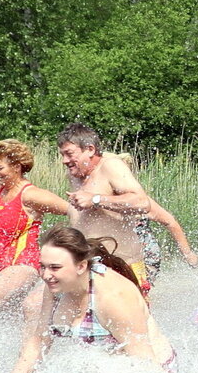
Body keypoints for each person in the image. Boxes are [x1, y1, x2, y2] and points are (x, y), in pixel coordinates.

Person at [0, 228, 176, 373]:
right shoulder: (56, 286)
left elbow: (145, 363)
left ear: (81, 266)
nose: (46, 275)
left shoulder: (112, 298)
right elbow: (40, 338)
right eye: (43, 266)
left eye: (55, 268)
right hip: (112, 372)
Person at [0, 139, 75, 353]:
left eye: (0, 168)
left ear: (17, 167)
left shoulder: (30, 194)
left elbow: (72, 210)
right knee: (14, 327)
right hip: (2, 269)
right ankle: (29, 368)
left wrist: (67, 247)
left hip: (24, 266)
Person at [59, 123, 190, 294]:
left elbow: (142, 202)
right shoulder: (75, 174)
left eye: (69, 154)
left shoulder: (110, 166)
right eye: (62, 155)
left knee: (128, 319)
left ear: (90, 149)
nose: (64, 161)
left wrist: (96, 199)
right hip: (87, 266)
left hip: (122, 267)